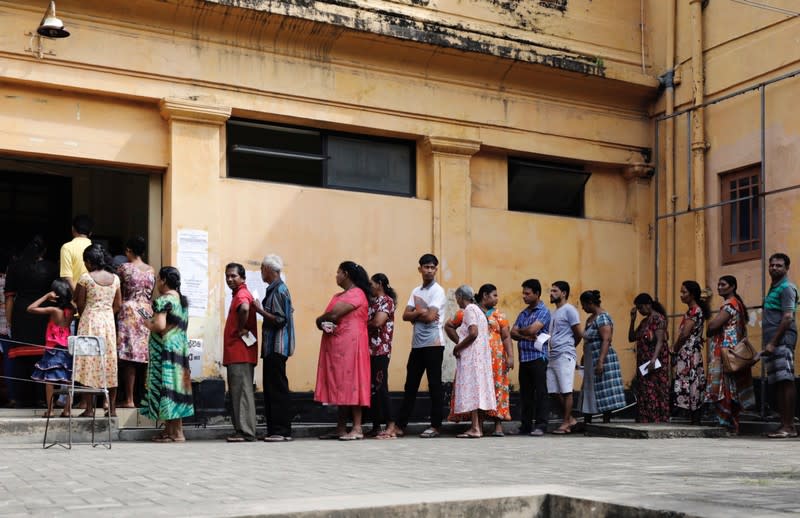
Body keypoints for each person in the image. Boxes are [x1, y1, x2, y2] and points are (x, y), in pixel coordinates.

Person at [383, 254, 447, 439]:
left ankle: (435, 426)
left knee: (435, 385)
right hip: (417, 345)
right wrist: (421, 312)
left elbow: (429, 317)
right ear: (419, 269)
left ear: (436, 270)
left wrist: (416, 314)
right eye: (425, 267)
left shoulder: (438, 291)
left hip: (434, 344)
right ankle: (401, 426)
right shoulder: (416, 291)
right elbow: (404, 315)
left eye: (432, 267)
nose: (429, 270)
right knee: (410, 385)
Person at [314, 261, 371, 441]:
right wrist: (322, 321)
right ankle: (341, 427)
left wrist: (319, 319)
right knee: (341, 384)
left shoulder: (357, 294)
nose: (336, 276)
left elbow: (332, 315)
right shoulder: (340, 295)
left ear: (345, 274)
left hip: (352, 345)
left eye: (338, 272)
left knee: (353, 382)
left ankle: (357, 427)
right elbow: (329, 317)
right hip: (339, 345)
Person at [446, 283, 512, 436]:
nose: (456, 301)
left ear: (461, 297)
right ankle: (476, 427)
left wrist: (458, 347)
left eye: (457, 298)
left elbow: (473, 333)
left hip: (472, 358)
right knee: (477, 391)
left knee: (473, 391)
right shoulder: (479, 311)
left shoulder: (469, 309)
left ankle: (476, 428)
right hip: (481, 358)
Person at [140, 266, 194, 442]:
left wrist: (147, 322)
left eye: (158, 279)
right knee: (176, 389)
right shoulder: (182, 301)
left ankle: (177, 433)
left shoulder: (163, 300)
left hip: (165, 351)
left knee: (167, 388)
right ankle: (170, 430)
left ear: (163, 280)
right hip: (180, 349)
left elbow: (160, 326)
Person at [4, 236, 58, 407]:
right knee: (43, 357)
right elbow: (57, 295)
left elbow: (9, 298)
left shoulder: (14, 267)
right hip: (44, 313)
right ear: (44, 251)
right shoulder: (51, 268)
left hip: (21, 313)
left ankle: (18, 398)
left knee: (19, 358)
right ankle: (42, 398)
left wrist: (10, 320)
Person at [73, 244, 122, 417]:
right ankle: (112, 409)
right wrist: (106, 313)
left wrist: (89, 312)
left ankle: (89, 408)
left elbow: (78, 302)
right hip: (108, 323)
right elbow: (118, 304)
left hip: (90, 321)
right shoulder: (115, 279)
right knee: (110, 362)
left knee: (88, 362)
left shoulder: (86, 278)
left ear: (89, 261)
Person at [252, 254, 296, 443]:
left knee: (277, 389)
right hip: (272, 347)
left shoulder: (278, 290)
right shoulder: (275, 289)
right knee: (272, 389)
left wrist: (259, 309)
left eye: (262, 269)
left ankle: (281, 430)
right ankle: (274, 430)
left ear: (269, 270)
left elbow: (280, 320)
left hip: (277, 346)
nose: (261, 272)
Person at [705, 275, 755, 433]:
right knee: (732, 386)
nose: (719, 287)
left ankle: (725, 421)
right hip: (734, 351)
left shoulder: (730, 305)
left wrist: (710, 329)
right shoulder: (737, 303)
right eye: (718, 284)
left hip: (727, 350)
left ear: (732, 287)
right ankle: (732, 421)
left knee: (725, 386)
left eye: (723, 284)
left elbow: (713, 326)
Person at [761, 253, 798, 438]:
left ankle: (789, 426)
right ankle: (784, 425)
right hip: (773, 343)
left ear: (786, 268)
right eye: (772, 265)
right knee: (778, 382)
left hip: (782, 341)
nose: (774, 268)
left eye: (779, 265)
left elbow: (787, 317)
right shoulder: (774, 287)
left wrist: (773, 342)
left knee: (785, 381)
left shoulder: (787, 288)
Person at [116, 236, 155, 408]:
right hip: (146, 312)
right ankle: (146, 397)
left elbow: (117, 289)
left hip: (130, 311)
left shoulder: (124, 268)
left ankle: (129, 399)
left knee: (129, 358)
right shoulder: (151, 270)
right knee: (145, 356)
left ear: (128, 250)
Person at [510, 279, 551, 436]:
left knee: (540, 392)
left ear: (537, 294)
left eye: (527, 294)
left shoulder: (544, 311)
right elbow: (513, 333)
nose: (524, 296)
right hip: (524, 358)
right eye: (523, 293)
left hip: (538, 357)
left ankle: (541, 425)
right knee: (525, 394)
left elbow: (533, 329)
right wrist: (524, 333)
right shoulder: (523, 313)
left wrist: (523, 332)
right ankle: (525, 425)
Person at [28, 279, 75, 418]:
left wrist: (46, 296)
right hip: (67, 346)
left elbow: (30, 308)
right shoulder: (72, 309)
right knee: (68, 378)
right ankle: (67, 410)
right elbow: (72, 302)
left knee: (49, 380)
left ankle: (50, 410)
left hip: (53, 347)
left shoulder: (53, 310)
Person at [222, 263, 258, 443]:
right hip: (237, 352)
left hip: (240, 352)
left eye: (233, 276)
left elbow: (244, 308)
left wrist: (241, 328)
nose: (229, 279)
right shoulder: (238, 293)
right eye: (227, 276)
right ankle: (242, 430)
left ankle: (246, 431)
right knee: (239, 391)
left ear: (242, 278)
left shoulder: (242, 294)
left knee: (242, 392)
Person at [578, 290, 626, 423]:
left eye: (584, 305)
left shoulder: (603, 318)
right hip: (590, 358)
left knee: (605, 388)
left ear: (591, 303)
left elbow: (606, 340)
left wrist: (600, 361)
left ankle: (606, 420)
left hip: (602, 357)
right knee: (589, 387)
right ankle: (587, 419)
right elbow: (587, 340)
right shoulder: (590, 319)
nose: (583, 308)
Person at [547, 281, 583, 434]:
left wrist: (569, 348)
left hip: (564, 354)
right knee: (552, 390)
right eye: (551, 291)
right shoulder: (555, 312)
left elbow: (578, 333)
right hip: (553, 355)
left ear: (564, 293)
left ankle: (566, 423)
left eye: (555, 291)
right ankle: (570, 419)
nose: (551, 293)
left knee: (566, 390)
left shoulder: (570, 310)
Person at [629, 293, 670, 423]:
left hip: (655, 360)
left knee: (655, 388)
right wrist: (632, 319)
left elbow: (660, 341)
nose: (640, 311)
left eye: (641, 308)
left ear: (648, 304)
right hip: (644, 361)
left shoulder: (659, 319)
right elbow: (631, 337)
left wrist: (653, 359)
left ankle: (658, 417)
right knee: (645, 389)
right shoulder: (644, 321)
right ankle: (646, 416)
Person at [671, 281, 708, 425]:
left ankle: (695, 417)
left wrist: (674, 348)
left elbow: (685, 333)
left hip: (689, 352)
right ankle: (693, 416)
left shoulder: (694, 311)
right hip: (689, 351)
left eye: (684, 292)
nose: (681, 295)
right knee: (692, 381)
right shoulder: (691, 311)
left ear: (692, 294)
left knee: (692, 382)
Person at [367, 273, 396, 438]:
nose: (370, 286)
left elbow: (378, 322)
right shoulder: (373, 302)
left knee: (381, 386)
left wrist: (361, 326)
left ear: (379, 284)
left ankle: (391, 424)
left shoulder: (387, 301)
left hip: (381, 350)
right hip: (370, 349)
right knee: (373, 389)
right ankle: (376, 425)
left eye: (372, 284)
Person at [59, 214, 93, 291]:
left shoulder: (67, 247)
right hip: (94, 294)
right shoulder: (96, 247)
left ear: (73, 229)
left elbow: (67, 277)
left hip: (75, 294)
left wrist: (76, 297)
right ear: (90, 233)